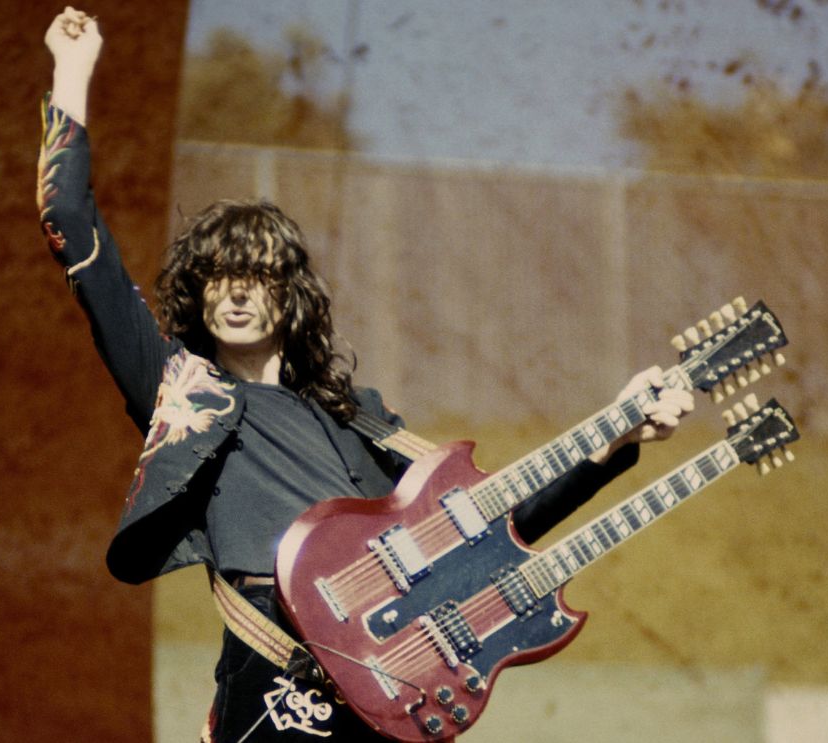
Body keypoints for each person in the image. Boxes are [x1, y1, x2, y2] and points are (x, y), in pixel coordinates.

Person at [39, 8, 694, 741]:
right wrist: (73, 70)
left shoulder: (354, 417)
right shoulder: (180, 390)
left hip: (385, 701)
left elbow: (482, 530)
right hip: (273, 693)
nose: (236, 292)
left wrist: (615, 437)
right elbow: (69, 217)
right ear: (198, 293)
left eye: (258, 276)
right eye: (218, 277)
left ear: (290, 300)